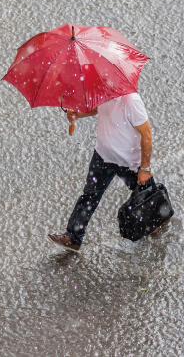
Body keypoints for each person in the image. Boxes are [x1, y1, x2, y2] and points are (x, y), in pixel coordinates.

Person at [48, 92, 154, 251]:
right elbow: (100, 108)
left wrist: (145, 168)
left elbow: (146, 134)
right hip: (103, 155)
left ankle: (158, 221)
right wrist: (78, 114)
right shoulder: (104, 93)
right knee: (90, 195)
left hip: (126, 159)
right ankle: (73, 237)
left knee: (145, 194)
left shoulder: (131, 100)